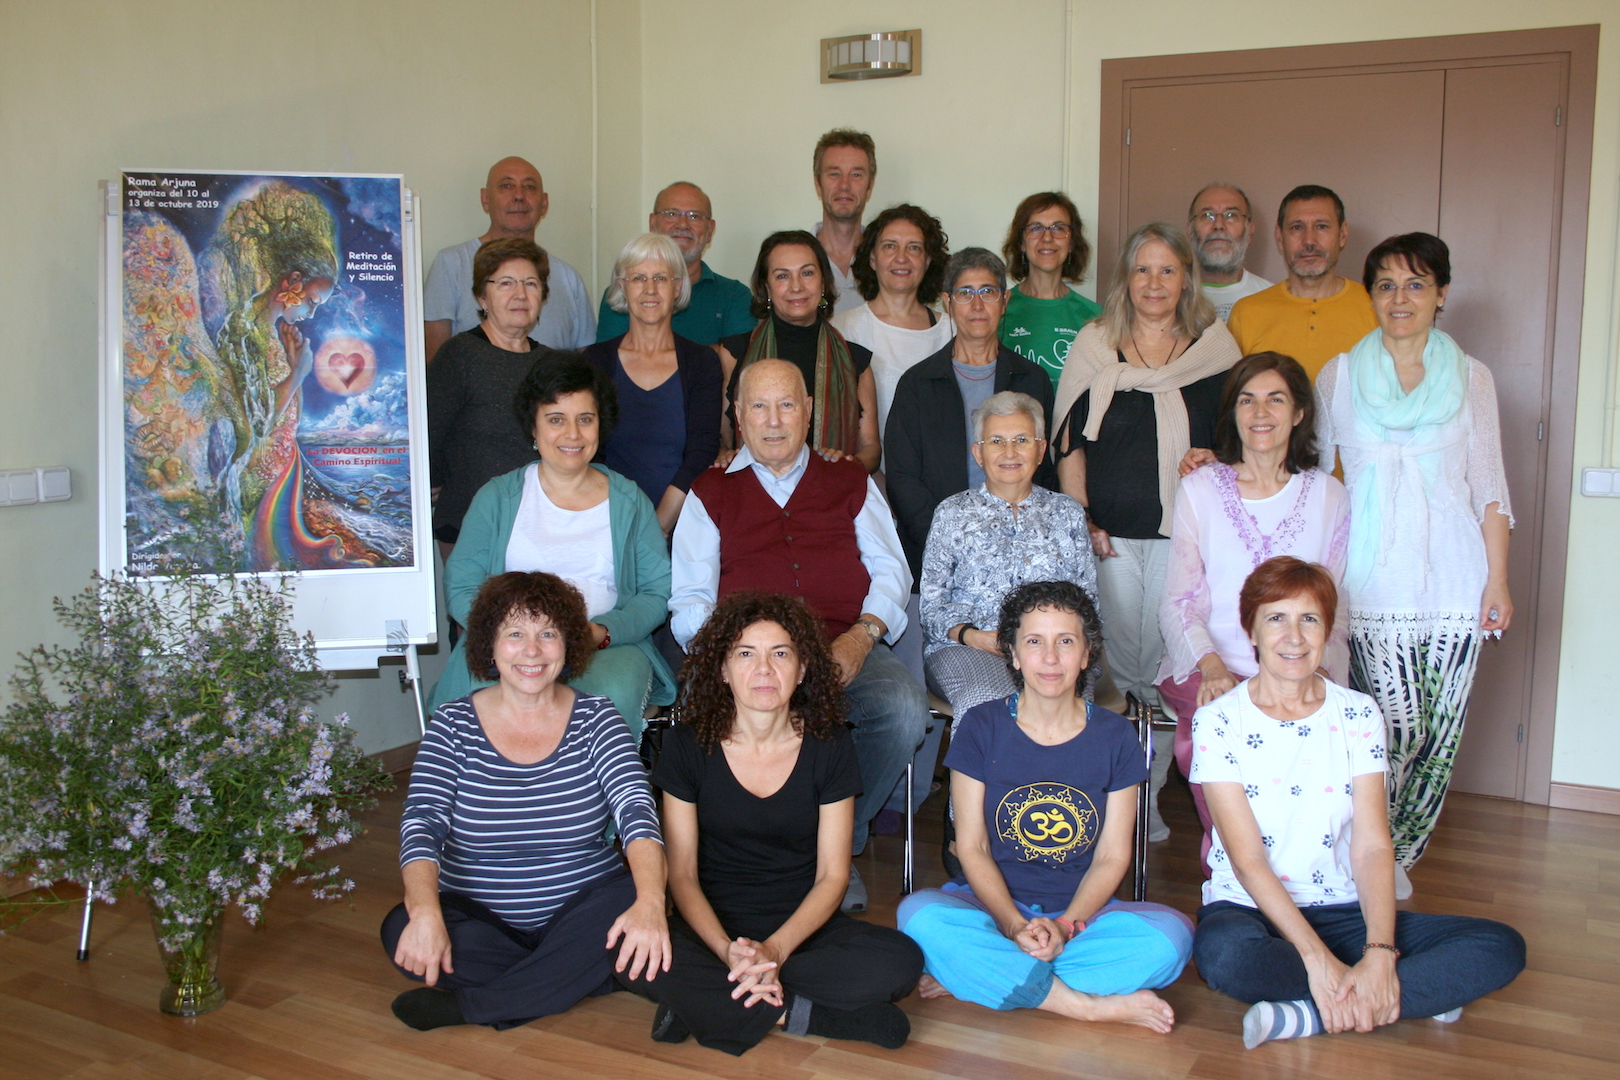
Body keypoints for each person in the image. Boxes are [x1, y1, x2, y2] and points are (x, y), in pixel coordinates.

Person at [1189, 557, 1524, 1049]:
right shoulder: (1218, 721)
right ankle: (1410, 992)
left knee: (1501, 945)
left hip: (1341, 907)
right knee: (1227, 959)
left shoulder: (1358, 713)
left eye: (1309, 619)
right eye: (1276, 618)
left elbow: (1371, 846)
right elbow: (1247, 860)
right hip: (1249, 907)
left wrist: (1381, 952)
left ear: (1327, 630)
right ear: (1251, 631)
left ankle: (1308, 1016)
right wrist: (1316, 958)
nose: (1294, 636)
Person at [670, 358, 928, 913]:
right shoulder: (710, 490)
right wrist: (740, 655)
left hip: (843, 643)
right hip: (745, 654)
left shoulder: (848, 479)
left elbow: (893, 572)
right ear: (738, 415)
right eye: (759, 406)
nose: (773, 420)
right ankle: (740, 858)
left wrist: (862, 636)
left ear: (808, 411)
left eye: (787, 404)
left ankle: (833, 849)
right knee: (702, 710)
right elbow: (690, 600)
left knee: (904, 709)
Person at [617, 592, 924, 1055]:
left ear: (801, 670)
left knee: (901, 962)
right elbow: (681, 875)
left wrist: (775, 951)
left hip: (802, 930)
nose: (763, 669)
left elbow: (833, 876)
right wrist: (726, 950)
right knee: (624, 946)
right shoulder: (685, 745)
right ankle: (801, 1015)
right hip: (710, 927)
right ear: (723, 670)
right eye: (745, 654)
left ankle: (703, 1002)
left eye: (780, 654)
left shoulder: (830, 744)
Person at [898, 581, 1193, 1033]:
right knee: (917, 915)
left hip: (1082, 915)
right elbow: (972, 847)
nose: (1050, 658)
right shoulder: (980, 725)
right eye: (1034, 642)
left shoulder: (1117, 737)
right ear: (1014, 655)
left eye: (1066, 642)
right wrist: (1014, 925)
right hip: (992, 908)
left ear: (1087, 655)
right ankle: (1082, 1004)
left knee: (1173, 939)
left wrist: (1066, 926)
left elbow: (1113, 856)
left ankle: (980, 976)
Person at [382, 571, 670, 1031]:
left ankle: (477, 1006)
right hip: (481, 918)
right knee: (401, 928)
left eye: (548, 634)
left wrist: (651, 904)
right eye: (515, 634)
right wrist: (425, 913)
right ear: (490, 646)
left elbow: (636, 811)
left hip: (583, 907)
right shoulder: (452, 724)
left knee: (638, 893)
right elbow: (422, 823)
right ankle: (584, 973)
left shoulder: (598, 718)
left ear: (568, 645)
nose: (532, 650)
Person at [1316, 232, 1513, 892]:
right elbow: (1311, 477)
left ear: (1441, 294)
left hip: (1456, 580)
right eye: (1386, 285)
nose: (1400, 298)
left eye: (1416, 284)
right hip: (1371, 583)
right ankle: (1371, 852)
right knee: (1391, 729)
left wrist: (1498, 579)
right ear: (1370, 296)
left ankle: (1398, 858)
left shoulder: (1473, 377)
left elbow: (1489, 486)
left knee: (1440, 735)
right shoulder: (1339, 375)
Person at [1052, 221, 1240, 839]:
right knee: (1114, 671)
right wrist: (1082, 517)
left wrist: (1214, 458)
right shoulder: (1096, 344)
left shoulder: (1215, 350)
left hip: (1187, 543)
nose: (1154, 283)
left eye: (1167, 270)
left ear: (1186, 278)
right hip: (1108, 538)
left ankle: (1148, 797)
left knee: (1167, 670)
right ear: (1124, 279)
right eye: (1142, 270)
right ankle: (1114, 795)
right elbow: (1069, 441)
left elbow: (1239, 444)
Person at [1157, 351, 1351, 868]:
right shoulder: (1200, 488)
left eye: (1275, 399)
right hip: (1212, 665)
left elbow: (1333, 608)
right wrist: (1212, 667)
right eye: (1247, 400)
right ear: (1233, 413)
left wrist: (1303, 676)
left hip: (1299, 669)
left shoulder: (1329, 495)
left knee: (1299, 752)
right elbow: (1178, 600)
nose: (1260, 412)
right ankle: (1234, 879)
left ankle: (1296, 881)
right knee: (1222, 734)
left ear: (1299, 413)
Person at [431, 355, 677, 736]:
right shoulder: (497, 498)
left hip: (603, 648)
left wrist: (602, 632)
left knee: (606, 698)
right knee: (482, 696)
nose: (572, 434)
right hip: (509, 648)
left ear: (601, 425)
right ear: (533, 426)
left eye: (585, 419)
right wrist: (510, 635)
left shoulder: (630, 502)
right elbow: (461, 584)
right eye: (556, 419)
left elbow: (655, 592)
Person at [920, 391, 1097, 720]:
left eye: (1022, 440)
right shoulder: (952, 513)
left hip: (1053, 651)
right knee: (992, 706)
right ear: (978, 453)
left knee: (1058, 705)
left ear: (1041, 450)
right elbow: (931, 606)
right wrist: (972, 636)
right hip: (968, 649)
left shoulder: (1067, 514)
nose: (1010, 452)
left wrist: (1050, 645)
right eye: (996, 441)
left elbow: (1087, 604)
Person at [886, 248, 1057, 582]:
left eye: (988, 292)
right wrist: (950, 542)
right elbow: (903, 479)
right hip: (939, 556)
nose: (977, 305)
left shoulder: (1032, 380)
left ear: (1005, 301)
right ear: (947, 302)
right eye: (965, 293)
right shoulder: (917, 383)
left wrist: (1020, 539)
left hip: (1022, 554)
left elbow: (1046, 470)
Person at [584, 233, 723, 536]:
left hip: (683, 527)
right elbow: (589, 454)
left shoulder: (702, 363)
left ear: (678, 286)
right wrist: (625, 526)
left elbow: (701, 452)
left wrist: (659, 526)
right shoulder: (594, 362)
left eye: (660, 278)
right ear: (622, 286)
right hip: (607, 524)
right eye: (638, 278)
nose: (650, 289)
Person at [427, 237, 555, 553]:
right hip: (471, 525)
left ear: (542, 296)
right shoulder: (458, 355)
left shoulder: (553, 364)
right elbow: (430, 433)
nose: (520, 294)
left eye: (531, 283)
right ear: (482, 296)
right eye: (506, 283)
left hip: (542, 527)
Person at [718, 232, 880, 472]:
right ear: (766, 287)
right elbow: (720, 439)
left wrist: (846, 466)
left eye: (807, 273)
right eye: (782, 276)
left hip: (830, 490)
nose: (796, 286)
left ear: (823, 282)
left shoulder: (855, 360)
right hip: (751, 490)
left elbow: (871, 449)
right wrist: (726, 457)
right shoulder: (734, 354)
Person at [424, 156, 595, 359]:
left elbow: (587, 362)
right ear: (485, 199)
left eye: (529, 187)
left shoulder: (569, 278)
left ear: (544, 203)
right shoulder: (451, 264)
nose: (519, 196)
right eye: (506, 186)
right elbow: (435, 360)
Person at [1227, 185, 1376, 382]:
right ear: (1280, 238)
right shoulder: (1246, 313)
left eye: (1322, 226)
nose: (1309, 241)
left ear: (1342, 235)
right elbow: (1232, 395)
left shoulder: (1376, 308)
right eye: (1297, 227)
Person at [830, 203, 954, 436]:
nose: (901, 258)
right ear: (873, 258)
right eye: (890, 246)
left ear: (928, 260)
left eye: (914, 248)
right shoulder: (843, 329)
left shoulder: (952, 331)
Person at [594, 182, 754, 345]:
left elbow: (736, 358)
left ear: (710, 230)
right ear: (652, 223)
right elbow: (611, 356)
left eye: (694, 216)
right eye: (671, 214)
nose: (683, 224)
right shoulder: (626, 291)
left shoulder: (734, 295)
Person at [998, 191, 1102, 388]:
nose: (1047, 237)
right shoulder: (998, 309)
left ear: (1071, 243)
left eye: (1058, 228)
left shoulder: (1095, 317)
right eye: (1036, 228)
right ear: (1021, 242)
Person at [811, 128, 877, 314]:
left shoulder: (889, 262)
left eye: (856, 175)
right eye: (834, 174)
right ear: (818, 184)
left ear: (870, 187)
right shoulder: (796, 261)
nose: (844, 185)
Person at [1188, 184, 1273, 321]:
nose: (1218, 225)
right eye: (1207, 215)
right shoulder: (1168, 297)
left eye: (1231, 215)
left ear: (1249, 231)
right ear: (1190, 230)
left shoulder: (1271, 298)